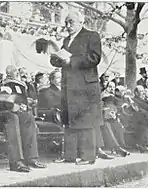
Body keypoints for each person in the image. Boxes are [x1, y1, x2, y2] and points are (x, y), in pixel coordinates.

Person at [50, 10, 104, 165]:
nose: (67, 25)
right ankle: (70, 156)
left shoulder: (92, 35)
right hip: (69, 86)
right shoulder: (67, 40)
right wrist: (55, 59)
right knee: (69, 121)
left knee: (86, 121)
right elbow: (62, 58)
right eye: (66, 22)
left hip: (85, 87)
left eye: (71, 22)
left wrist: (71, 61)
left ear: (81, 22)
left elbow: (95, 58)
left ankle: (88, 157)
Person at [100, 82, 130, 157]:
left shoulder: (113, 97)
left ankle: (121, 147)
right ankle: (118, 149)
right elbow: (100, 108)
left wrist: (115, 114)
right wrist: (106, 111)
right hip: (103, 119)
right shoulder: (103, 96)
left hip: (111, 118)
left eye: (113, 87)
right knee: (107, 126)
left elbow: (118, 106)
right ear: (106, 87)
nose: (112, 88)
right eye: (110, 86)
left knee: (118, 125)